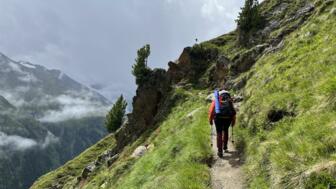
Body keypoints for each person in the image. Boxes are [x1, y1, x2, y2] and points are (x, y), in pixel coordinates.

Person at [208, 89, 236, 157]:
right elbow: (233, 113)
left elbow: (211, 111)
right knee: (225, 130)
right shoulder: (229, 102)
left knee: (219, 132)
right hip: (228, 118)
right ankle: (225, 147)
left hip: (218, 118)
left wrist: (210, 120)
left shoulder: (217, 101)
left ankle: (220, 151)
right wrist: (233, 123)